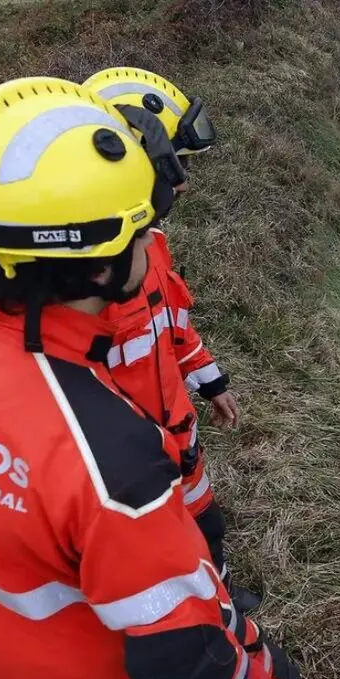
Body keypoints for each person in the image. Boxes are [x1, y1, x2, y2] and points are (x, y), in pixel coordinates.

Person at [0, 76, 320, 679]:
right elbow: (186, 659)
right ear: (101, 263)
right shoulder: (112, 457)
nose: (151, 242)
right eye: (141, 229)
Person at [79, 67, 256, 608]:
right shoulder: (76, 288)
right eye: (172, 166)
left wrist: (212, 382)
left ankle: (218, 593)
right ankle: (203, 614)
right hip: (131, 458)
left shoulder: (148, 244)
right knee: (158, 552)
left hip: (177, 427)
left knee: (206, 522)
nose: (183, 183)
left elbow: (172, 325)